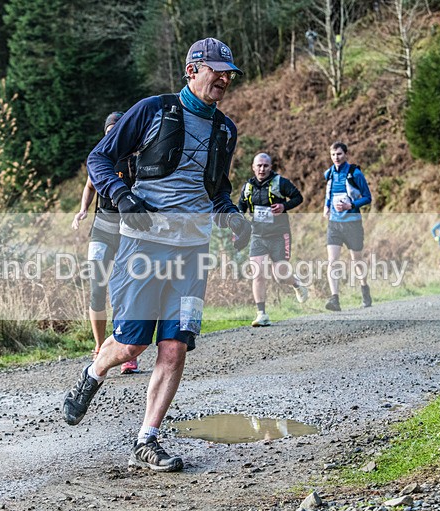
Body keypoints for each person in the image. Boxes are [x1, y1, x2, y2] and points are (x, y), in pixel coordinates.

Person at [62, 37, 251, 472]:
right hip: (143, 246)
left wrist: (232, 217)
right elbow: (99, 159)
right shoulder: (153, 110)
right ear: (192, 70)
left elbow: (217, 190)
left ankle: (146, 439)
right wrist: (122, 196)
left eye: (229, 73)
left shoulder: (225, 130)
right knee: (132, 344)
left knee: (174, 346)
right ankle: (93, 373)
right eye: (217, 70)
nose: (224, 79)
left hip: (193, 252)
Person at [71, 112, 140, 374]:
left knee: (123, 291)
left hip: (127, 233)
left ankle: (125, 349)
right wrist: (82, 210)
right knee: (97, 289)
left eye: (117, 131)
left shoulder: (135, 160)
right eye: (109, 132)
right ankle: (100, 347)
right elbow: (90, 186)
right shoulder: (100, 157)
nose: (113, 136)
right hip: (101, 229)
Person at [237, 152, 307, 327]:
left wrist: (284, 206)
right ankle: (261, 314)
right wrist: (238, 222)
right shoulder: (248, 187)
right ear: (253, 167)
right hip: (258, 236)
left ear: (270, 167)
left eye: (265, 166)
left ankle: (296, 283)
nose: (262, 169)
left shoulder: (280, 182)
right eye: (259, 165)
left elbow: (298, 197)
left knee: (280, 276)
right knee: (258, 274)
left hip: (279, 235)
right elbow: (241, 206)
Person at [322, 141, 373, 311]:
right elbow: (329, 193)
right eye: (333, 154)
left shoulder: (355, 173)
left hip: (352, 224)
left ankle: (364, 288)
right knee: (332, 261)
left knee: (356, 260)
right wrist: (326, 206)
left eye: (339, 154)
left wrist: (351, 205)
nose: (336, 157)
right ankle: (334, 299)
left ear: (346, 154)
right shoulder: (329, 173)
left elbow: (367, 197)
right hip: (334, 224)